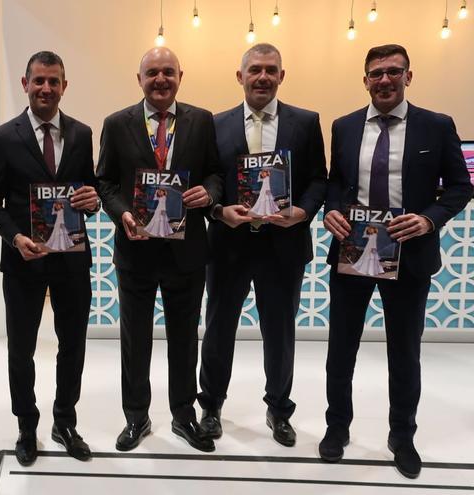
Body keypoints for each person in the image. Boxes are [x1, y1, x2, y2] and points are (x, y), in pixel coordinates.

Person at [320, 44, 473, 479]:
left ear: (409, 75)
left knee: (404, 351)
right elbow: (336, 183)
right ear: (364, 80)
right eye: (376, 73)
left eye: (393, 71)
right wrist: (332, 208)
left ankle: (402, 436)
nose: (384, 80)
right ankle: (337, 427)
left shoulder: (437, 126)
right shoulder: (345, 126)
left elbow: (461, 187)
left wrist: (429, 220)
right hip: (353, 248)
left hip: (411, 254)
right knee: (341, 348)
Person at [198, 43, 327, 448]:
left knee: (280, 331)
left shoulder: (305, 123)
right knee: (218, 329)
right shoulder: (213, 124)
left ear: (282, 76)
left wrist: (302, 213)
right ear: (240, 76)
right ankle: (211, 406)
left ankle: (278, 409)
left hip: (283, 246)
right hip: (228, 245)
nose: (263, 77)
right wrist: (219, 210)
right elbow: (209, 179)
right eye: (255, 69)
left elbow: (319, 180)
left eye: (271, 70)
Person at [96, 46, 222, 453]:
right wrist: (122, 215)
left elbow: (216, 172)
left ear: (180, 76)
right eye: (152, 73)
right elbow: (105, 182)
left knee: (185, 337)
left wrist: (210, 192)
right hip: (136, 250)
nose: (161, 79)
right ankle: (136, 416)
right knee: (135, 338)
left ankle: (184, 416)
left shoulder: (202, 121)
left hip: (187, 251)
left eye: (168, 71)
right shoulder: (117, 124)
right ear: (139, 80)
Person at [0, 50, 99, 466]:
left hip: (71, 260)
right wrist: (14, 237)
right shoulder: (4, 136)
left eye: (54, 81)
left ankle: (64, 421)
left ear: (64, 86)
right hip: (24, 261)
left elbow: (90, 192)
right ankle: (27, 426)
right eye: (39, 81)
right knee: (22, 349)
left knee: (72, 346)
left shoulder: (83, 133)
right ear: (25, 84)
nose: (46, 88)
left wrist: (93, 200)